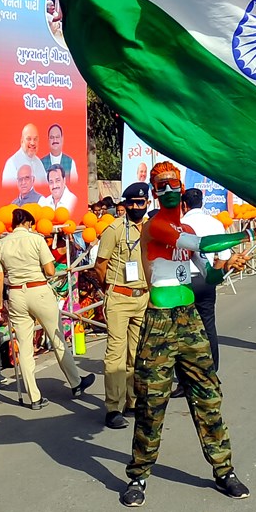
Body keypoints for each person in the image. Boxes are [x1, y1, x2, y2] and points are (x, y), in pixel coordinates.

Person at [120, 161, 256, 507]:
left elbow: (208, 275)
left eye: (173, 183)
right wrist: (251, 234)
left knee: (208, 395)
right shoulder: (157, 226)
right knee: (152, 403)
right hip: (159, 322)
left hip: (190, 320)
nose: (169, 190)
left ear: (182, 186)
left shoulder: (184, 228)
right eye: (161, 185)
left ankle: (224, 471)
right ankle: (139, 476)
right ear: (155, 191)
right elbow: (202, 243)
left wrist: (223, 267)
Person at [0, 208, 95, 409]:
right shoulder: (36, 239)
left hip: (15, 294)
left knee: (24, 346)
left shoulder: (0, 244)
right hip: (38, 290)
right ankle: (75, 383)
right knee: (57, 339)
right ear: (29, 223)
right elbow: (49, 270)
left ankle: (34, 397)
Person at [93, 183, 150, 430]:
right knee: (115, 355)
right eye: (133, 203)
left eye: (142, 202)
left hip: (143, 297)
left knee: (136, 353)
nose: (138, 207)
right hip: (119, 296)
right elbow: (100, 264)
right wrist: (109, 290)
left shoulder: (150, 228)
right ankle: (113, 408)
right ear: (125, 205)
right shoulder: (114, 230)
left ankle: (133, 401)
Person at [180, 188, 232, 372]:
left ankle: (187, 377)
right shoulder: (215, 223)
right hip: (206, 280)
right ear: (201, 203)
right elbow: (225, 255)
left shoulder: (180, 223)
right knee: (208, 326)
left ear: (183, 205)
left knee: (184, 330)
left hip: (183, 281)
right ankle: (212, 371)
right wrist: (213, 277)